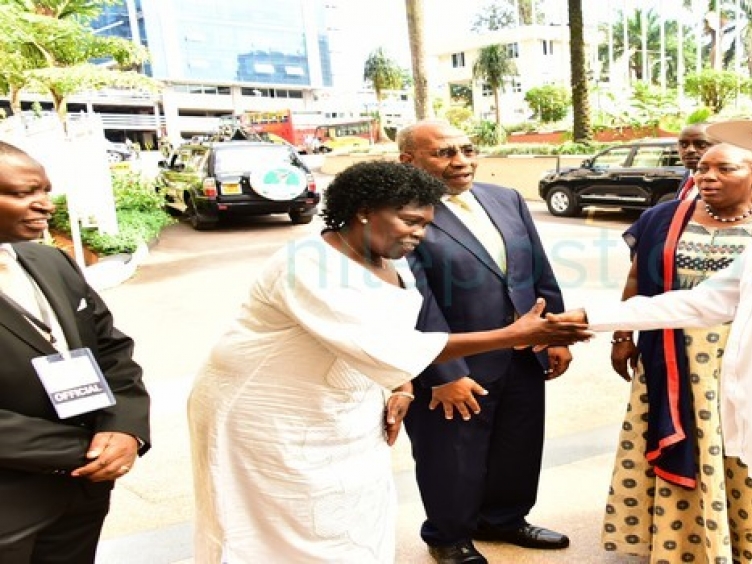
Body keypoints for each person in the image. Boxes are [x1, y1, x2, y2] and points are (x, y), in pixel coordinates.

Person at [186, 160, 590, 564]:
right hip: (265, 411)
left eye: (426, 225)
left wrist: (402, 386)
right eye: (410, 221)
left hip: (339, 401)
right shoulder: (307, 263)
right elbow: (389, 345)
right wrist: (514, 335)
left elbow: (393, 328)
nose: (420, 233)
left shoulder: (392, 262)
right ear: (364, 211)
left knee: (349, 511)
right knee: (277, 518)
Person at [397, 120, 571, 564]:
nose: (461, 161)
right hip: (456, 361)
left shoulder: (505, 197)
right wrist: (444, 373)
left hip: (523, 352)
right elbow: (414, 300)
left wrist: (554, 332)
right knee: (451, 455)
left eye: (467, 149)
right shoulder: (397, 212)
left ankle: (503, 519)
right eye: (444, 153)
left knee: (519, 444)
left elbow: (536, 270)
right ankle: (448, 536)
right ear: (408, 160)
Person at [0, 141, 150, 563]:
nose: (45, 205)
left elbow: (112, 349)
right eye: (23, 193)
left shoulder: (52, 262)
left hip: (81, 496)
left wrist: (125, 428)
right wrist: (83, 450)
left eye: (45, 190)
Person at [601, 142, 752, 562]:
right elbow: (637, 277)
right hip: (668, 350)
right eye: (702, 168)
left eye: (725, 168)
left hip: (739, 356)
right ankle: (681, 541)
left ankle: (738, 540)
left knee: (735, 445)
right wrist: (622, 334)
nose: (708, 177)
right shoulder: (664, 217)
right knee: (677, 439)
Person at [675, 123, 716, 200]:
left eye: (701, 145)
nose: (690, 150)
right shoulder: (689, 174)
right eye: (683, 144)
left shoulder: (723, 182)